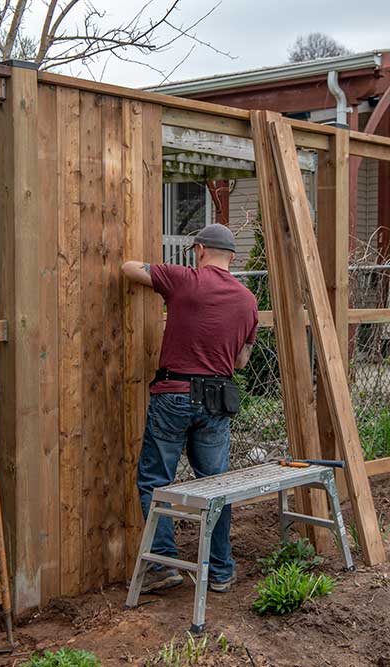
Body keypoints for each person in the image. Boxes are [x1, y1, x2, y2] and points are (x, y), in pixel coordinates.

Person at [121, 223, 258, 594]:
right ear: (232, 257)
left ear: (199, 250)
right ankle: (220, 571)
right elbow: (243, 360)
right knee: (216, 486)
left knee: (155, 481)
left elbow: (129, 269)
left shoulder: (183, 279)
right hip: (216, 400)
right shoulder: (248, 299)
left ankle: (164, 564)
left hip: (174, 393)